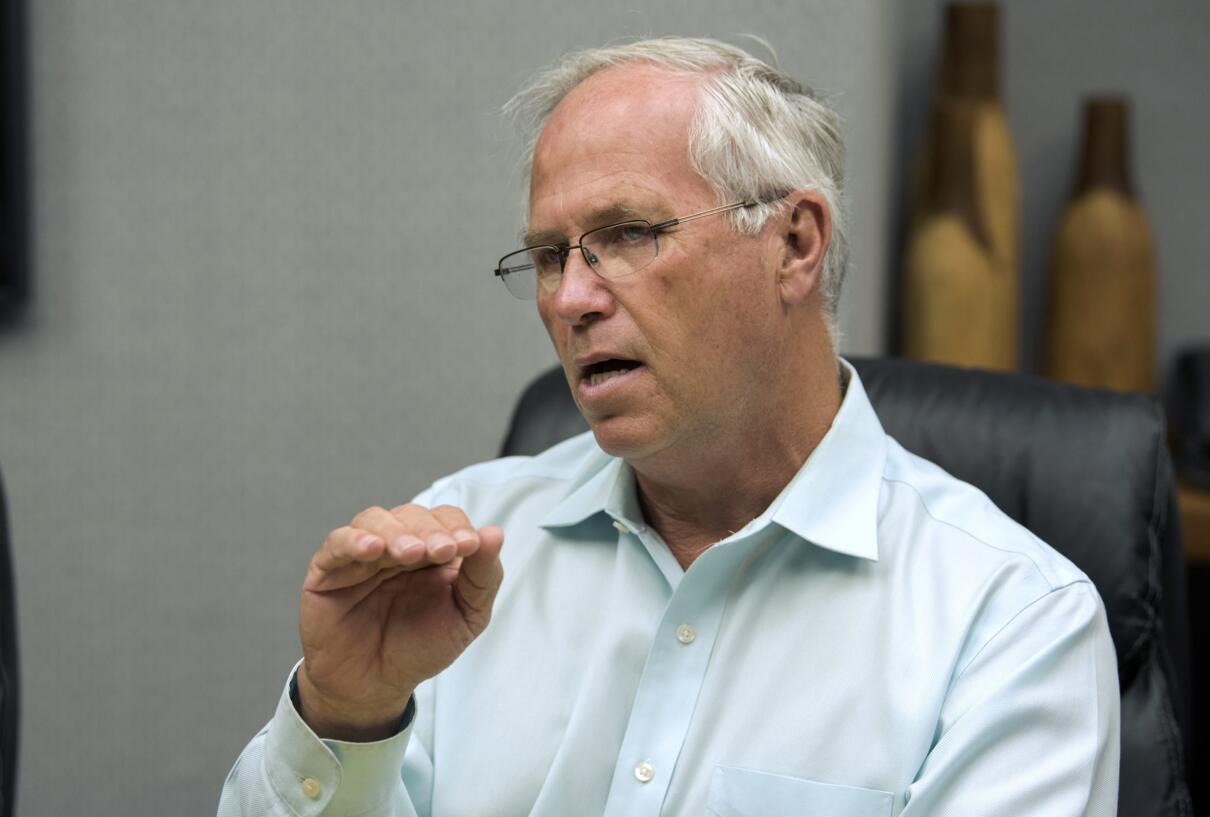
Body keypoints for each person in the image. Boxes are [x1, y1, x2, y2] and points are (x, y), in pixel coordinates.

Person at [218, 37, 1118, 816]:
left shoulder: (1008, 624)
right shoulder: (453, 550)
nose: (570, 298)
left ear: (794, 245)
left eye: (628, 233)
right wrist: (346, 713)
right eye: (545, 256)